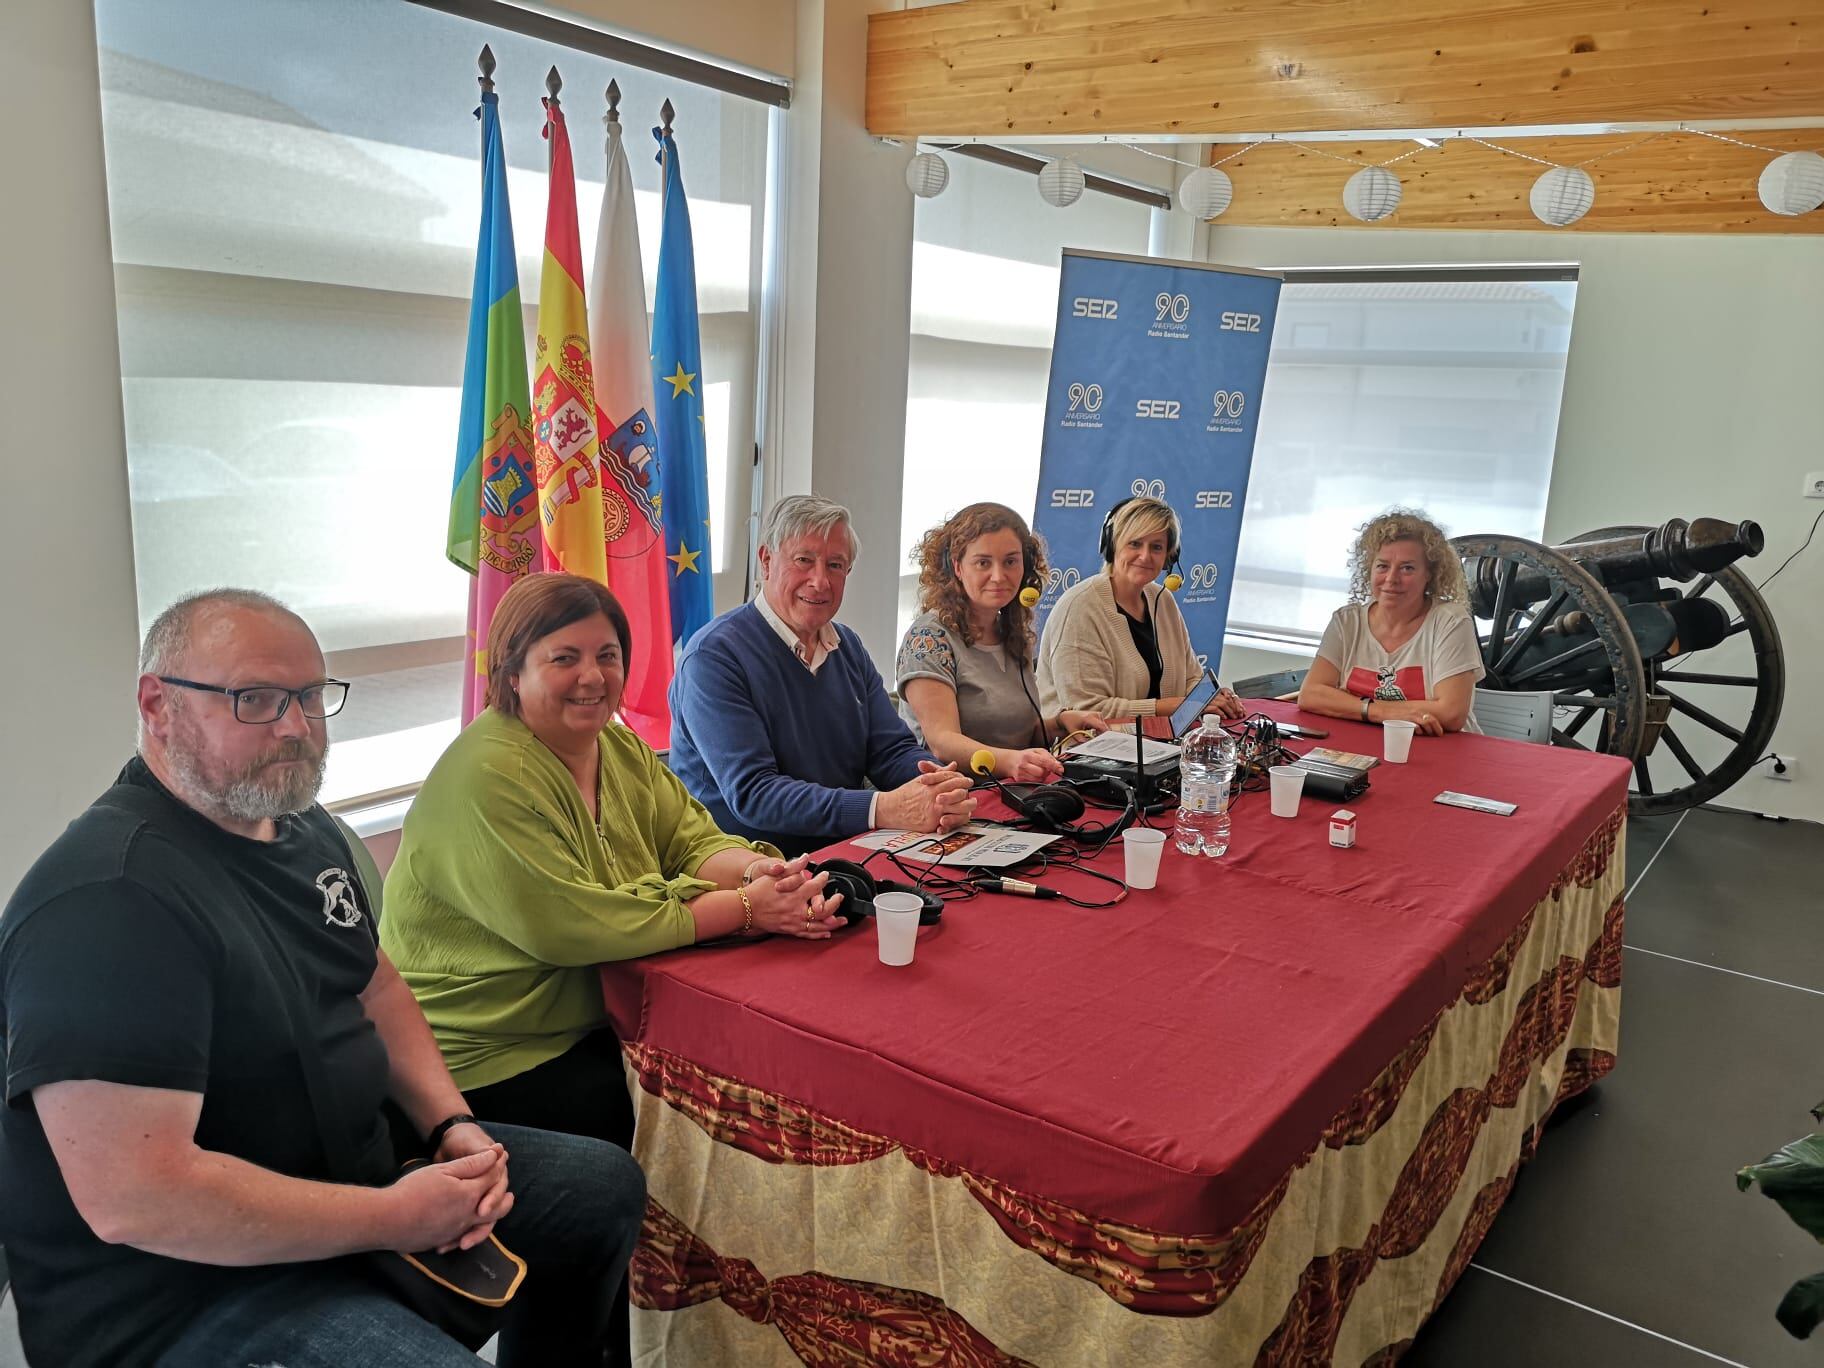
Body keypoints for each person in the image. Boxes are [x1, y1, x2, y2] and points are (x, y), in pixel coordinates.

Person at [0, 589, 643, 1368]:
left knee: (599, 1190)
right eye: (256, 700)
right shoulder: (108, 900)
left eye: (310, 696)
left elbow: (377, 988)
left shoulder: (299, 828)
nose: (296, 728)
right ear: (157, 705)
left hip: (359, 1176)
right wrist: (390, 1218)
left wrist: (451, 1127)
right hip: (191, 1297)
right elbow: (138, 1197)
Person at [381, 572, 843, 1154]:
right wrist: (749, 910)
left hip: (600, 1010)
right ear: (512, 674)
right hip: (486, 1055)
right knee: (708, 1122)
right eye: (564, 658)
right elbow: (574, 926)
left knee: (760, 1069)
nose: (593, 677)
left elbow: (693, 841)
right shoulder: (490, 775)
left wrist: (759, 875)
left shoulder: (619, 747)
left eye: (608, 655)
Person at [668, 494, 975, 854]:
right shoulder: (714, 657)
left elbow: (890, 750)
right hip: (746, 868)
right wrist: (882, 808)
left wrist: (937, 786)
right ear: (766, 561)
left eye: (835, 565)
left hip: (843, 851)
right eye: (804, 560)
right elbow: (754, 794)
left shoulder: (848, 647)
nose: (820, 581)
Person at [899, 503, 1109, 782]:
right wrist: (1010, 762)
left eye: (1010, 561)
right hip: (954, 797)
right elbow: (942, 742)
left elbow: (1017, 731)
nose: (999, 576)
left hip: (1012, 790)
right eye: (983, 562)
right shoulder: (928, 638)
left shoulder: (1011, 631)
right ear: (957, 567)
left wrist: (1059, 724)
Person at [1035, 495, 1246, 727]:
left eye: (1156, 547)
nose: (1145, 556)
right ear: (1112, 545)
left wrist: (1213, 698)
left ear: (1168, 557)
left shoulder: (1161, 599)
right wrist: (1175, 707)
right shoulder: (1079, 608)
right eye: (1134, 543)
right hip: (1088, 751)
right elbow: (1086, 711)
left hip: (1158, 746)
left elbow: (1191, 677)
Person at [1296, 507, 1484, 735]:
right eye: (1383, 566)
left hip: (1444, 750)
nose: (1392, 579)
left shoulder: (1450, 621)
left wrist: (1350, 705)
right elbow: (1310, 695)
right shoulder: (1347, 621)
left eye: (1407, 568)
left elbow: (1451, 713)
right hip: (1364, 743)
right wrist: (1382, 713)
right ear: (1369, 570)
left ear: (1430, 575)